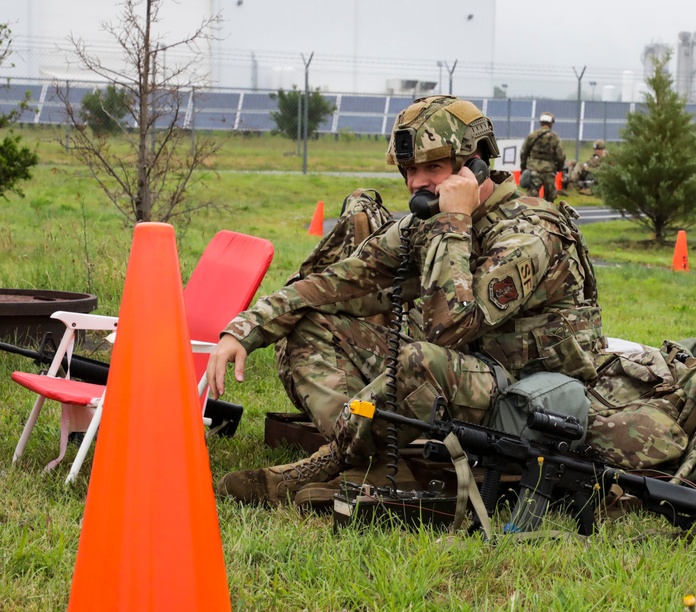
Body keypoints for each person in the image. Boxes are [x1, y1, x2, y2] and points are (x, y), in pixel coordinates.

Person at [207, 94, 606, 507]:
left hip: (526, 401)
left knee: (421, 360)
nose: (416, 183)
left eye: (432, 167)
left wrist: (454, 221)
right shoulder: (429, 220)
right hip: (464, 378)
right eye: (410, 170)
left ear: (474, 165)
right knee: (307, 323)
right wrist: (244, 329)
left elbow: (448, 329)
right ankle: (369, 459)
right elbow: (338, 281)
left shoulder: (527, 233)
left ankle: (333, 458)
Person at [520, 111, 566, 201]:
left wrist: (524, 167)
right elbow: (561, 156)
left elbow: (524, 152)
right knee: (550, 199)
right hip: (548, 171)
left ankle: (533, 213)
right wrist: (559, 168)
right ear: (551, 123)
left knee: (532, 198)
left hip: (533, 169)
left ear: (541, 122)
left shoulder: (532, 136)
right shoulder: (555, 138)